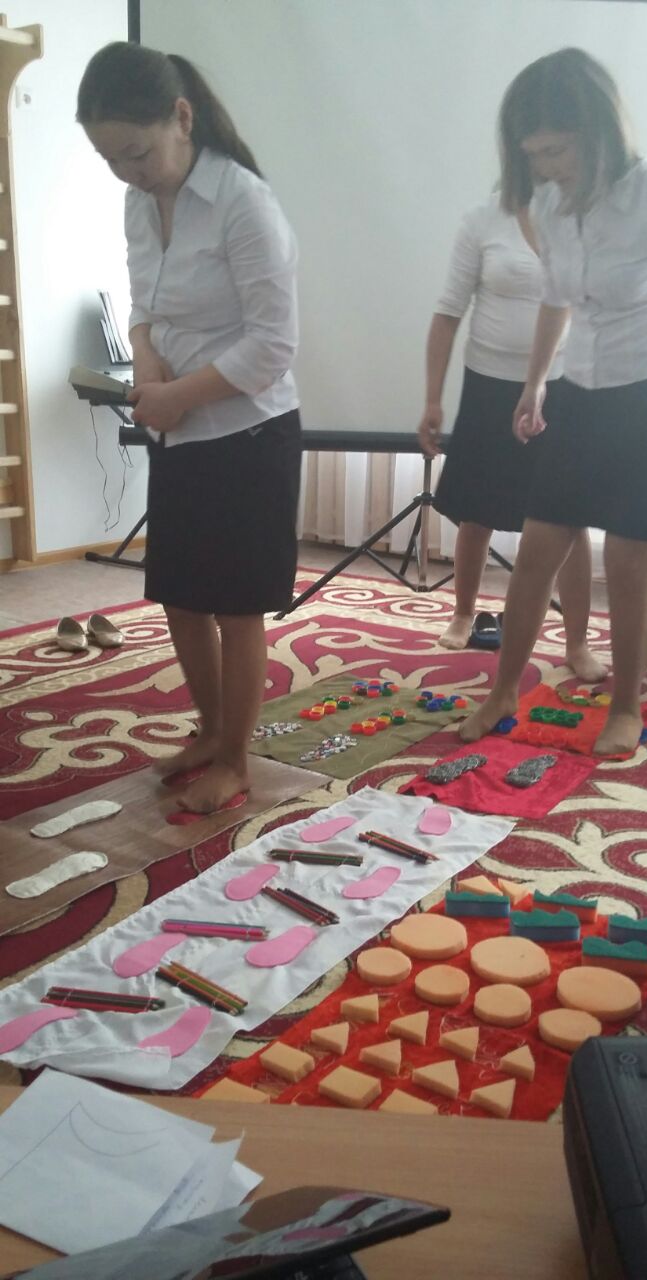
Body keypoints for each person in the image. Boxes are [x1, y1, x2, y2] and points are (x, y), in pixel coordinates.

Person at [460, 47, 647, 755]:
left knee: (632, 564)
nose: (546, 168)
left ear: (599, 131)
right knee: (537, 549)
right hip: (581, 395)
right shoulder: (548, 201)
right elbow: (556, 298)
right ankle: (502, 692)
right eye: (534, 155)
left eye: (558, 150)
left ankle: (626, 706)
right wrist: (535, 382)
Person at [77, 42, 302, 812]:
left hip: (249, 434)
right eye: (109, 159)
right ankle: (208, 731)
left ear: (181, 117)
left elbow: (273, 345)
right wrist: (145, 360)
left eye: (135, 154)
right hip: (181, 431)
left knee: (237, 606)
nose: (126, 173)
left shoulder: (244, 202)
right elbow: (144, 305)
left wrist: (179, 397)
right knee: (181, 595)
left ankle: (235, 759)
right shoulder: (139, 203)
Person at [418, 184, 605, 684]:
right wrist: (433, 398)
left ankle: (577, 641)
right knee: (477, 510)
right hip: (488, 383)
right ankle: (463, 612)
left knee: (570, 519)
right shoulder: (483, 219)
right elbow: (448, 312)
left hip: (564, 384)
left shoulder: (579, 217)